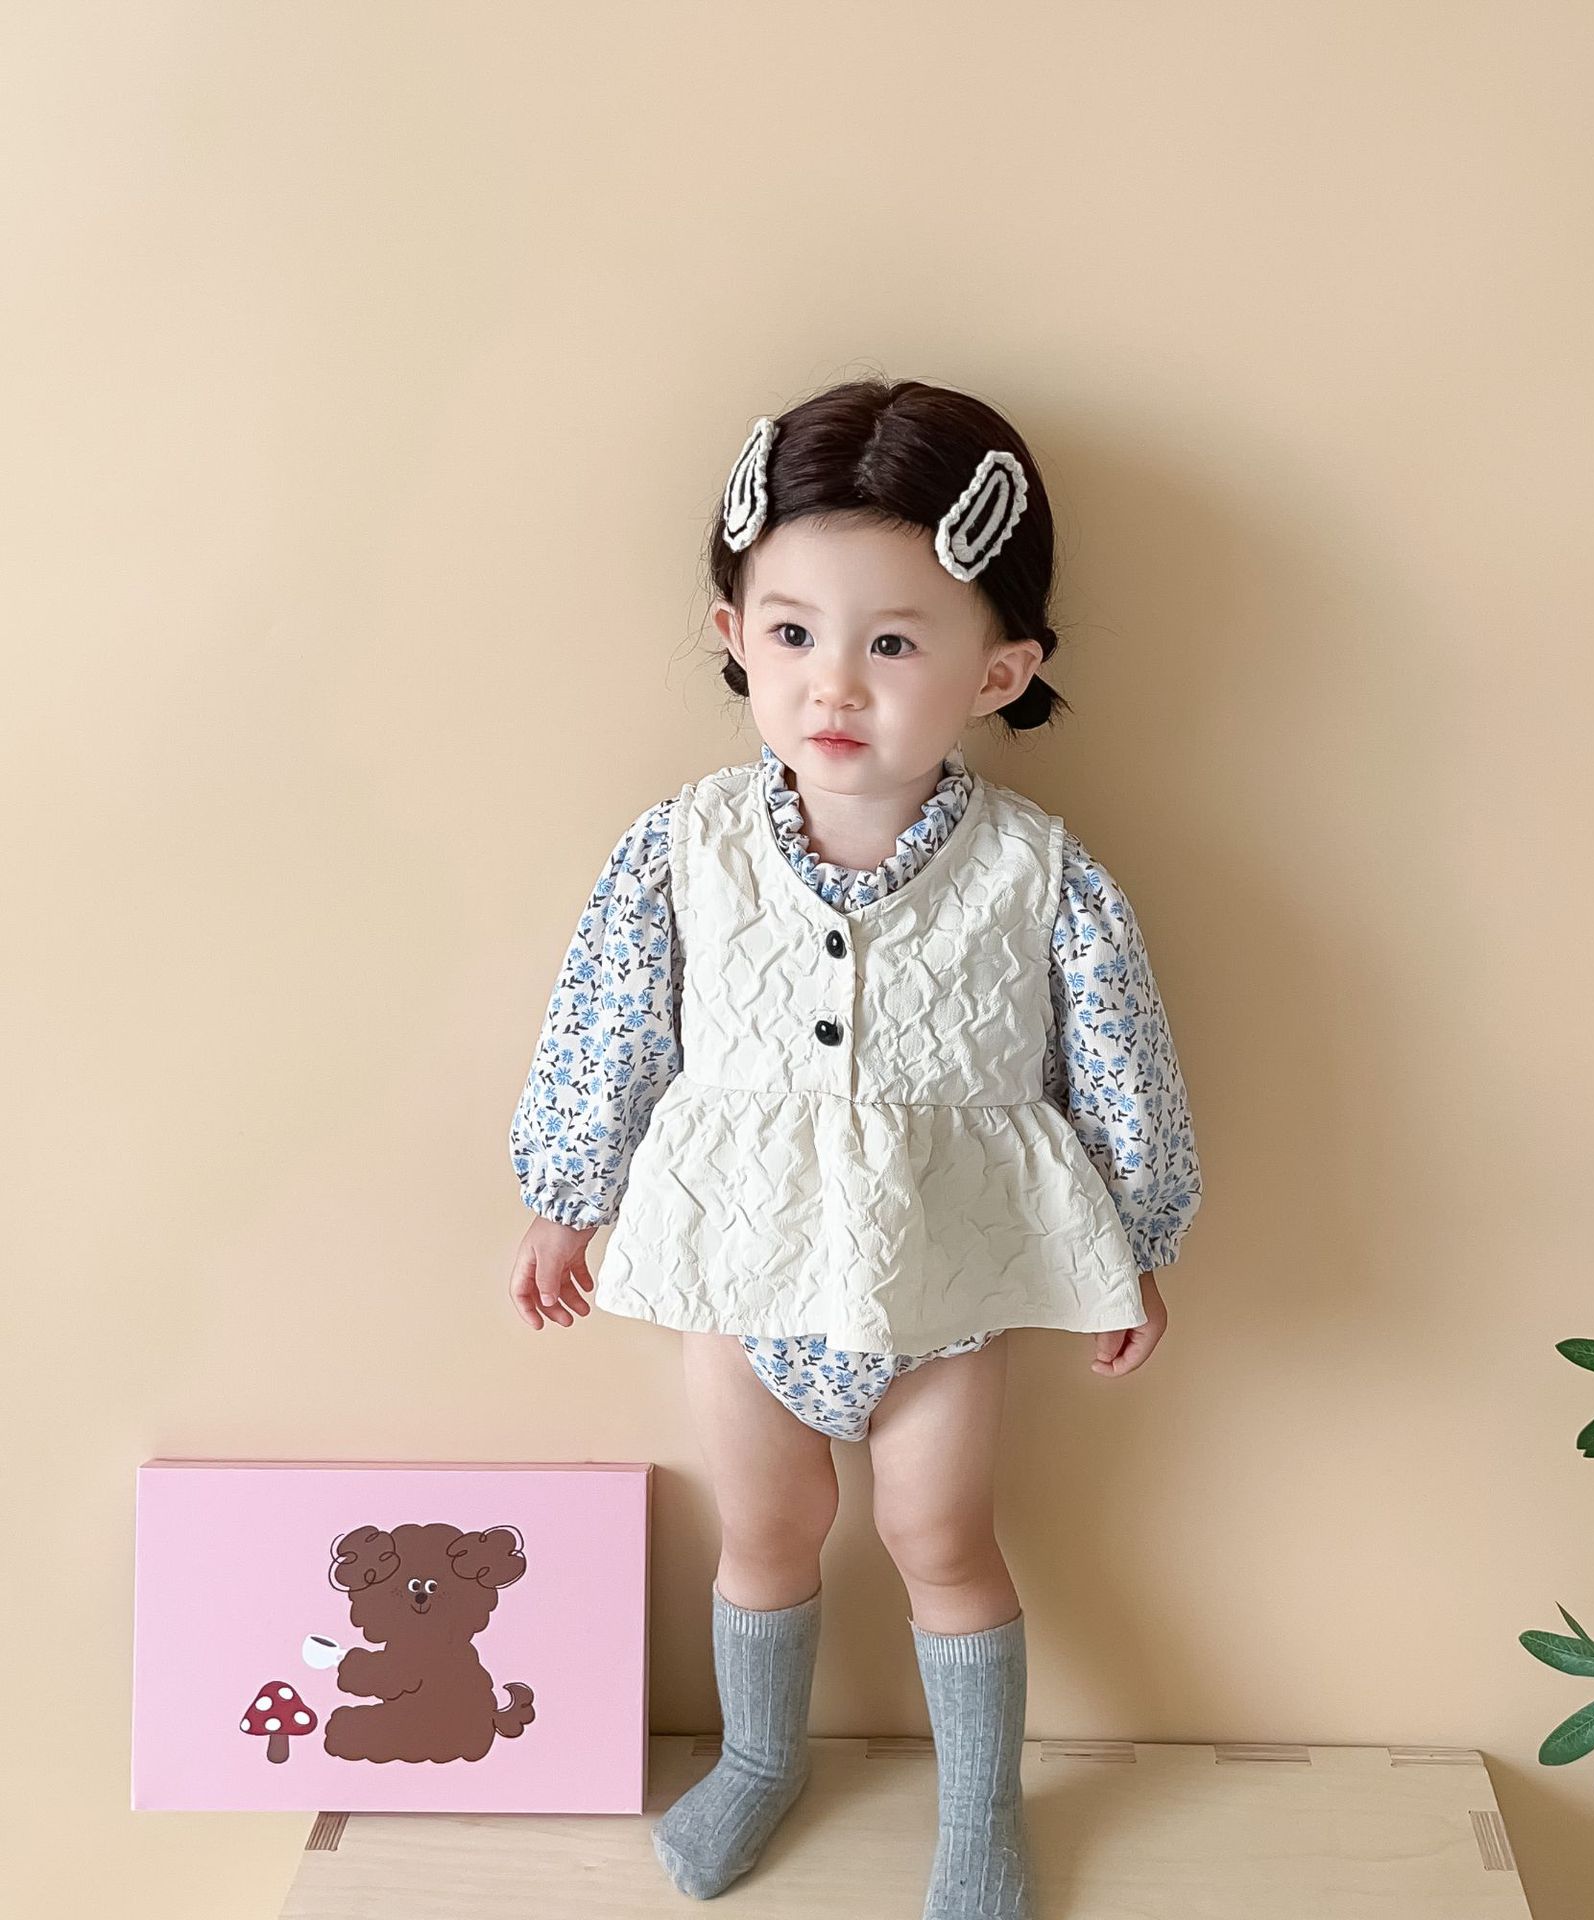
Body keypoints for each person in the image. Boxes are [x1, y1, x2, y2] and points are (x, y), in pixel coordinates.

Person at [505, 377, 1203, 1917]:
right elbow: (607, 1025)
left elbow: (1119, 1064)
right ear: (733, 633)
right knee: (765, 1528)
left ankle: (981, 1815)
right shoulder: (682, 848)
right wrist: (567, 1200)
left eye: (893, 643)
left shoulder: (1037, 874)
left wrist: (1134, 1244)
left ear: (997, 669)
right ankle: (762, 1757)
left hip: (942, 1274)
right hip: (740, 1262)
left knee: (940, 1533)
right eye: (793, 631)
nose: (835, 682)